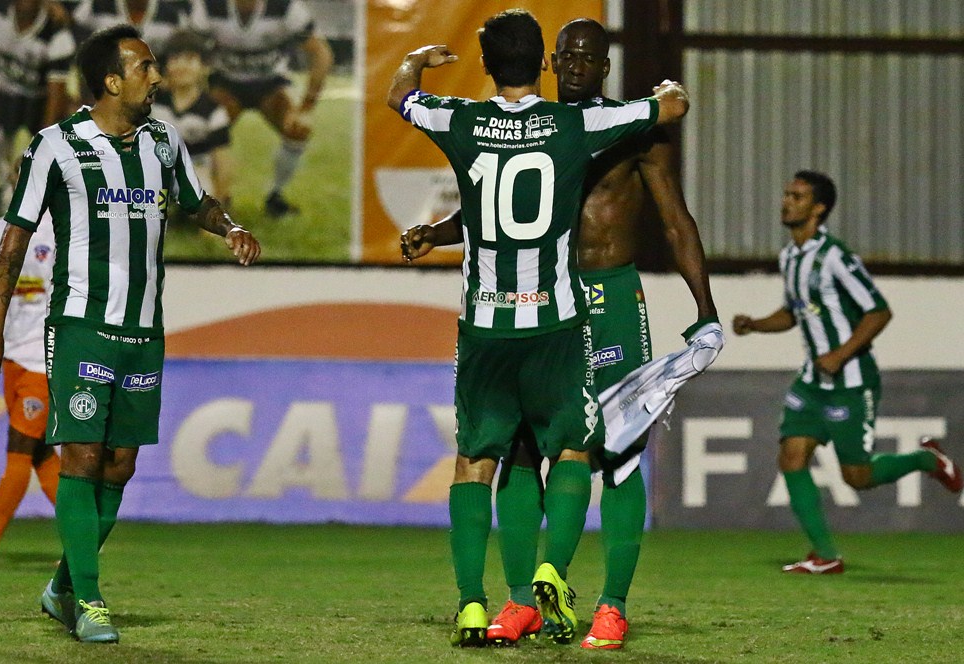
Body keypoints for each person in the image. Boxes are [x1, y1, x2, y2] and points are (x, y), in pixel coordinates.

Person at [400, 18, 719, 650]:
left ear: (604, 66)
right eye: (566, 54)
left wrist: (705, 309)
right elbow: (497, 206)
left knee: (619, 453)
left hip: (610, 297)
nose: (575, 64)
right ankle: (525, 600)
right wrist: (438, 232)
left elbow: (676, 222)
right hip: (548, 304)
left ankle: (612, 606)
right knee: (522, 449)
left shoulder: (632, 128)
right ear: (549, 62)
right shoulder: (543, 127)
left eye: (588, 57)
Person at [0, 24, 261, 643]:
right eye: (145, 67)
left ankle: (62, 586)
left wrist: (229, 226)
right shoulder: (56, 146)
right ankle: (91, 601)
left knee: (120, 466)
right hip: (80, 326)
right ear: (111, 81)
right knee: (81, 456)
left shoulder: (164, 140)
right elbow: (14, 241)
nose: (157, 77)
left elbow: (197, 201)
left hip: (144, 330)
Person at [732, 171, 962, 575]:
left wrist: (840, 354)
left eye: (797, 196)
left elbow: (879, 311)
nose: (786, 202)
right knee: (791, 457)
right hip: (812, 381)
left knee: (857, 476)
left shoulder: (835, 257)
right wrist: (756, 324)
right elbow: (794, 312)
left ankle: (926, 460)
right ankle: (825, 555)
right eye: (786, 194)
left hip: (851, 381)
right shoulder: (790, 257)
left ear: (819, 208)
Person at [0, 213, 59, 567]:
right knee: (40, 453)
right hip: (12, 356)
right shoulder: (0, 228)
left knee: (19, 447)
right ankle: (87, 533)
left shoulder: (67, 224)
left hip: (46, 358)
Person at [192, 0, 333, 217]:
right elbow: (190, 49)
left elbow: (321, 52)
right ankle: (210, 194)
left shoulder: (285, 6)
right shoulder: (210, 6)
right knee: (197, 131)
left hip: (270, 84)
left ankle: (276, 195)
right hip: (226, 84)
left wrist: (306, 106)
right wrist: (194, 98)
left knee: (298, 128)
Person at [0, 0, 75, 213]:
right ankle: (1, 177)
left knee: (71, 118)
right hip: (2, 95)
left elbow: (56, 96)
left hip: (38, 101)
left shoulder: (57, 33)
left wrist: (38, 152)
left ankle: (54, 190)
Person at [150, 30, 233, 206]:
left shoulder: (213, 112)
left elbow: (222, 161)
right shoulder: (152, 103)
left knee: (203, 195)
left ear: (204, 66)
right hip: (158, 173)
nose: (182, 66)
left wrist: (220, 198)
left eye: (189, 59)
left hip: (196, 172)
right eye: (175, 59)